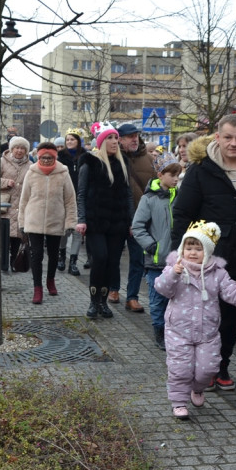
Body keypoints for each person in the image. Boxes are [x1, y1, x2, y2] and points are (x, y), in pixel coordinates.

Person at [171, 114, 236, 392]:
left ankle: (222, 364)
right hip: (210, 255)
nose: (233, 143)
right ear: (218, 137)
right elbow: (182, 213)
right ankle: (204, 366)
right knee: (210, 312)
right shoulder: (201, 169)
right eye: (228, 137)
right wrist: (180, 254)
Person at [154, 221, 236, 419]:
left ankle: (198, 388)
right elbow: (162, 288)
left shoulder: (218, 273)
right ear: (182, 249)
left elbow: (232, 292)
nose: (193, 253)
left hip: (208, 332)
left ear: (208, 252)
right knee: (180, 369)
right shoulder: (174, 268)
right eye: (189, 247)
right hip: (178, 331)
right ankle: (178, 402)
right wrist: (172, 275)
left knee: (208, 368)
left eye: (198, 248)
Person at [76, 122, 133, 319]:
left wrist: (131, 220)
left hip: (117, 221)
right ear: (101, 142)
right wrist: (81, 219)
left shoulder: (123, 162)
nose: (114, 141)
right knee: (99, 258)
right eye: (110, 138)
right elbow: (81, 194)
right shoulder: (89, 163)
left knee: (112, 262)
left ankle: (103, 301)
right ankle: (93, 302)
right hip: (96, 221)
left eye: (116, 138)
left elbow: (127, 195)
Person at [19, 142, 77, 304]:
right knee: (36, 254)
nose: (46, 160)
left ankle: (50, 280)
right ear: (38, 156)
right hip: (34, 219)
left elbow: (70, 200)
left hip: (55, 219)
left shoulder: (63, 173)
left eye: (49, 157)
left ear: (55, 157)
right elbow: (24, 200)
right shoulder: (31, 173)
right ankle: (37, 288)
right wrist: (22, 221)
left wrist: (70, 222)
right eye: (43, 157)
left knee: (53, 254)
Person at [132, 162, 182, 349]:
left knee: (176, 299)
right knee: (156, 300)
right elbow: (138, 226)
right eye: (172, 175)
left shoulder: (180, 196)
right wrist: (152, 246)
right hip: (156, 260)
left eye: (178, 175)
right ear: (161, 175)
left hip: (177, 260)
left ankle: (173, 333)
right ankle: (159, 333)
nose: (176, 179)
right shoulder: (149, 198)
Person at [117, 123, 155, 312]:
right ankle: (113, 288)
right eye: (129, 136)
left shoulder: (149, 159)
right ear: (120, 139)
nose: (134, 139)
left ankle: (132, 296)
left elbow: (156, 186)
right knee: (113, 256)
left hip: (140, 219)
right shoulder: (112, 158)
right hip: (116, 216)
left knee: (137, 259)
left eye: (136, 136)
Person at [58, 128, 87, 275]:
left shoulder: (86, 156)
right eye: (67, 139)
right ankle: (62, 257)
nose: (69, 142)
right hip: (64, 198)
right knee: (64, 230)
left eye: (72, 139)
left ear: (78, 141)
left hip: (81, 198)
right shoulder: (60, 156)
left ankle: (73, 262)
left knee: (77, 232)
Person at [1, 136, 31, 264]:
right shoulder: (1, 161)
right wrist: (6, 182)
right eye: (17, 148)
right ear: (11, 149)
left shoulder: (31, 165)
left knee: (19, 235)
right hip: (5, 204)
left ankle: (15, 261)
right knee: (4, 234)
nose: (19, 151)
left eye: (22, 148)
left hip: (22, 204)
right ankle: (3, 262)